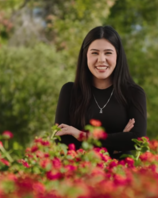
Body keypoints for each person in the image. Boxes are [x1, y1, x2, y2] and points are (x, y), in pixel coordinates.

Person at [54, 26, 147, 159]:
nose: (101, 59)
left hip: (121, 175)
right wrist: (116, 146)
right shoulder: (69, 92)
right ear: (85, 55)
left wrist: (83, 136)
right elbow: (61, 142)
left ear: (118, 56)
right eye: (95, 53)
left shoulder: (134, 93)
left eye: (108, 53)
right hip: (78, 174)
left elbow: (137, 140)